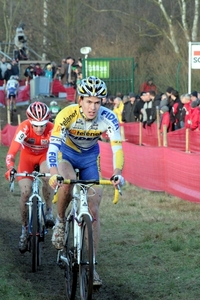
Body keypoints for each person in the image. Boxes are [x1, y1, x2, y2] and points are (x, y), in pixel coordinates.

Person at [47, 76, 125, 286]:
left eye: (97, 102)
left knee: (94, 208)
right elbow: (53, 148)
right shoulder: (67, 114)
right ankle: (61, 221)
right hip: (68, 156)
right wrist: (54, 172)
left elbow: (118, 148)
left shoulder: (108, 117)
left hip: (91, 158)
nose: (93, 107)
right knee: (67, 181)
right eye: (89, 101)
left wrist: (117, 172)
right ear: (80, 100)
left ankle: (91, 266)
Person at [5, 102, 55, 253]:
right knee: (25, 193)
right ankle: (24, 229)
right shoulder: (24, 127)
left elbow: (60, 151)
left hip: (44, 157)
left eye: (42, 125)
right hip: (27, 158)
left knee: (48, 176)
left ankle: (48, 210)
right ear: (30, 121)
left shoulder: (52, 129)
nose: (39, 129)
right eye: (36, 125)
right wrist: (10, 168)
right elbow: (12, 152)